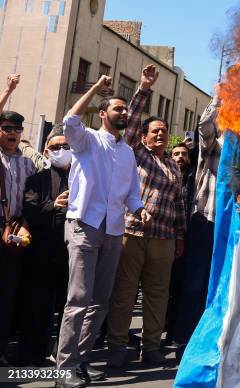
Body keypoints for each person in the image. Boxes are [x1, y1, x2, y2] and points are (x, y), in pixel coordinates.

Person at [56, 75, 149, 388]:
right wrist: (95, 89)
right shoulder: (86, 140)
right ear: (102, 114)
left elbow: (133, 192)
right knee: (79, 298)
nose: (123, 113)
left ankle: (80, 361)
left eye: (126, 110)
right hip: (84, 225)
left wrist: (139, 209)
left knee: (101, 300)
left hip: (113, 229)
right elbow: (69, 119)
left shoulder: (128, 153)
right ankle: (62, 369)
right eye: (118, 109)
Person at [106, 65, 186, 367]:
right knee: (124, 292)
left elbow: (178, 204)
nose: (161, 135)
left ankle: (151, 347)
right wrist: (144, 87)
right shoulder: (136, 154)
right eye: (155, 131)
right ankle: (116, 347)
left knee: (157, 295)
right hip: (133, 233)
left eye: (164, 132)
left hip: (164, 239)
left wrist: (180, 237)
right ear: (144, 136)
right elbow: (135, 117)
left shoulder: (174, 167)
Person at [173, 96, 222, 361]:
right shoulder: (215, 145)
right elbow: (204, 126)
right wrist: (220, 98)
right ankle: (184, 342)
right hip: (206, 220)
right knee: (194, 285)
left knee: (216, 287)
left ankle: (211, 342)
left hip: (231, 227)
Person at [19, 126, 71, 365]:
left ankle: (62, 355)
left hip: (72, 253)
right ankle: (32, 354)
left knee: (68, 307)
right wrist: (54, 205)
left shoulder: (82, 177)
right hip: (42, 252)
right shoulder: (37, 179)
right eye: (56, 147)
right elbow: (31, 211)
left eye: (66, 146)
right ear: (46, 151)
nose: (61, 150)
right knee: (38, 305)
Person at [0, 74, 37, 367]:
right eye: (7, 127)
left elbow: (32, 200)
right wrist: (9, 90)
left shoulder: (28, 163)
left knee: (8, 295)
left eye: (17, 129)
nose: (13, 132)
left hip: (15, 233)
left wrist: (25, 224)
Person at [165, 142, 196, 344]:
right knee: (164, 287)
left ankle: (176, 331)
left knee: (182, 286)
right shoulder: (166, 176)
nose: (179, 157)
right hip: (166, 236)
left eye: (184, 154)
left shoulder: (195, 178)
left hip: (189, 239)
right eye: (175, 153)